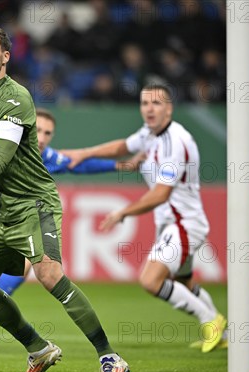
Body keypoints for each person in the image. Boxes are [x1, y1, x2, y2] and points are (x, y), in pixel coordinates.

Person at [0, 25, 129, 372]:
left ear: (5, 57)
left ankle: (109, 356)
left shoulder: (15, 98)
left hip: (33, 204)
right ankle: (38, 349)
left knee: (49, 274)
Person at [0, 108, 137, 350]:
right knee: (11, 268)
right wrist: (16, 204)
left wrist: (122, 166)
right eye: (38, 130)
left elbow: (78, 165)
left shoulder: (44, 157)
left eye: (48, 133)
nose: (42, 137)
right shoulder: (4, 151)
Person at [60, 83, 227, 353]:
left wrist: (123, 211)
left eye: (156, 103)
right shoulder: (151, 134)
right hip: (172, 224)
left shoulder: (176, 141)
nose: (149, 109)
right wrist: (85, 153)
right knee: (184, 283)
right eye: (145, 103)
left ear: (169, 108)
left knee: (151, 280)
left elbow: (161, 194)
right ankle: (225, 333)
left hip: (183, 223)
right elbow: (123, 146)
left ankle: (210, 320)